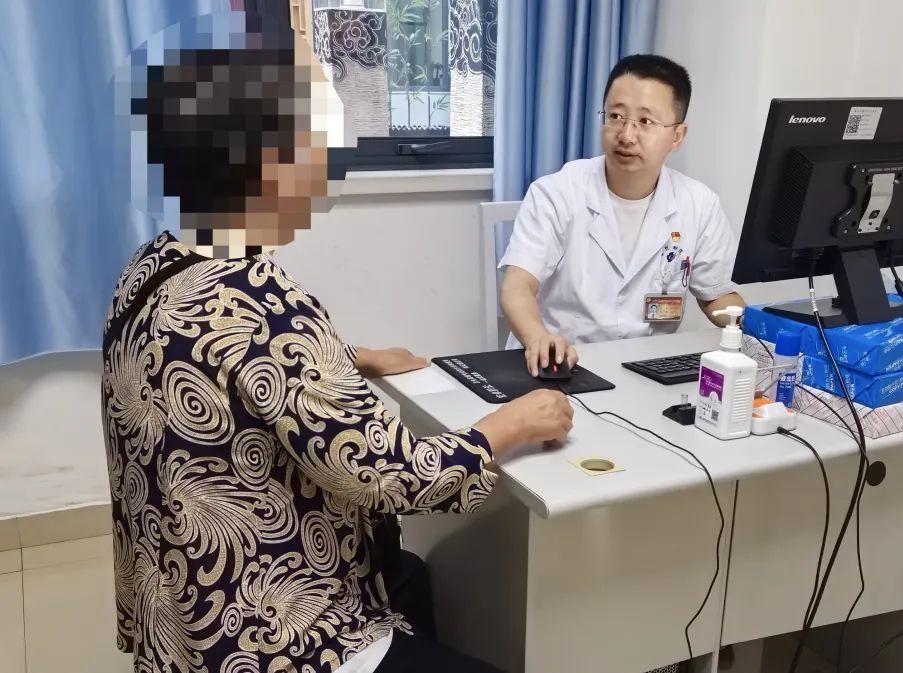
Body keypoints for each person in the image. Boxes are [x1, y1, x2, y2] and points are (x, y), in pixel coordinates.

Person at [101, 14, 573, 673]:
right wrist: (509, 425)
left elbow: (220, 364)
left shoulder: (151, 268)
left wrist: (348, 358)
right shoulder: (260, 299)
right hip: (266, 638)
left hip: (176, 614)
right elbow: (392, 473)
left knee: (410, 576)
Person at [499, 54, 746, 377]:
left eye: (645, 122)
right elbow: (517, 287)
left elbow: (716, 295)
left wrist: (768, 327)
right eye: (616, 116)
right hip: (559, 367)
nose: (627, 135)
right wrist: (538, 339)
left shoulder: (698, 203)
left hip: (646, 371)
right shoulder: (556, 192)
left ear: (677, 136)